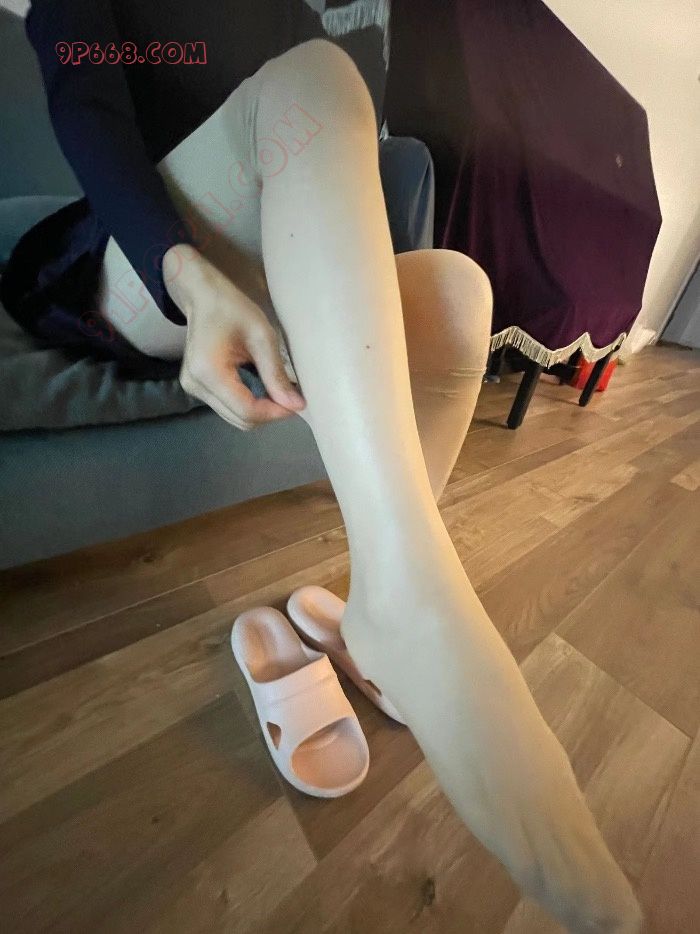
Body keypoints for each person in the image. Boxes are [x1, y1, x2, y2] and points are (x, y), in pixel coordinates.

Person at [4, 2, 642, 931]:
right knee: (315, 77)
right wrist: (191, 278)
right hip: (135, 261)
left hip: (261, 248)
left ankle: (389, 584)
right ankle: (412, 603)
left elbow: (318, 168)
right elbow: (86, 108)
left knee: (461, 291)